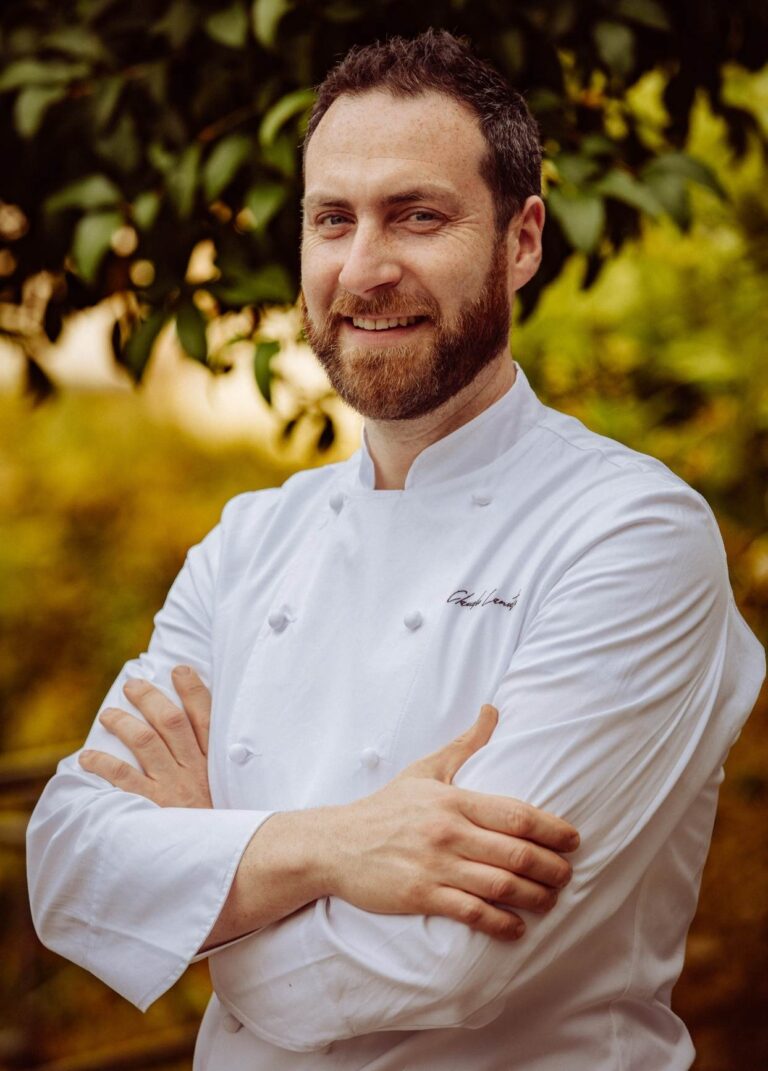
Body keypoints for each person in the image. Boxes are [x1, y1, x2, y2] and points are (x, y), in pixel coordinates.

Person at [27, 29, 764, 1071]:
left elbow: (443, 959)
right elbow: (66, 868)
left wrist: (196, 901)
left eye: (418, 215)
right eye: (333, 220)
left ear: (521, 240)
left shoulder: (632, 535)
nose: (365, 269)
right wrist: (337, 846)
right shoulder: (250, 541)